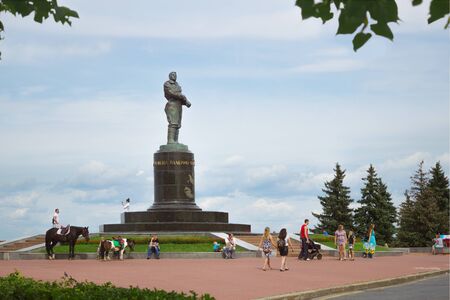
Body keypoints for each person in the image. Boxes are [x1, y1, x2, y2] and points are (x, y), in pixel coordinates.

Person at [163, 71, 191, 144]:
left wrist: (186, 102)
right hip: (172, 105)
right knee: (173, 122)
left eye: (175, 75)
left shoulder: (177, 85)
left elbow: (179, 96)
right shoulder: (167, 84)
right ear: (169, 76)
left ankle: (175, 140)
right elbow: (171, 93)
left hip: (178, 106)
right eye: (172, 75)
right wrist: (182, 97)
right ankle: (170, 140)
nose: (174, 76)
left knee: (178, 124)